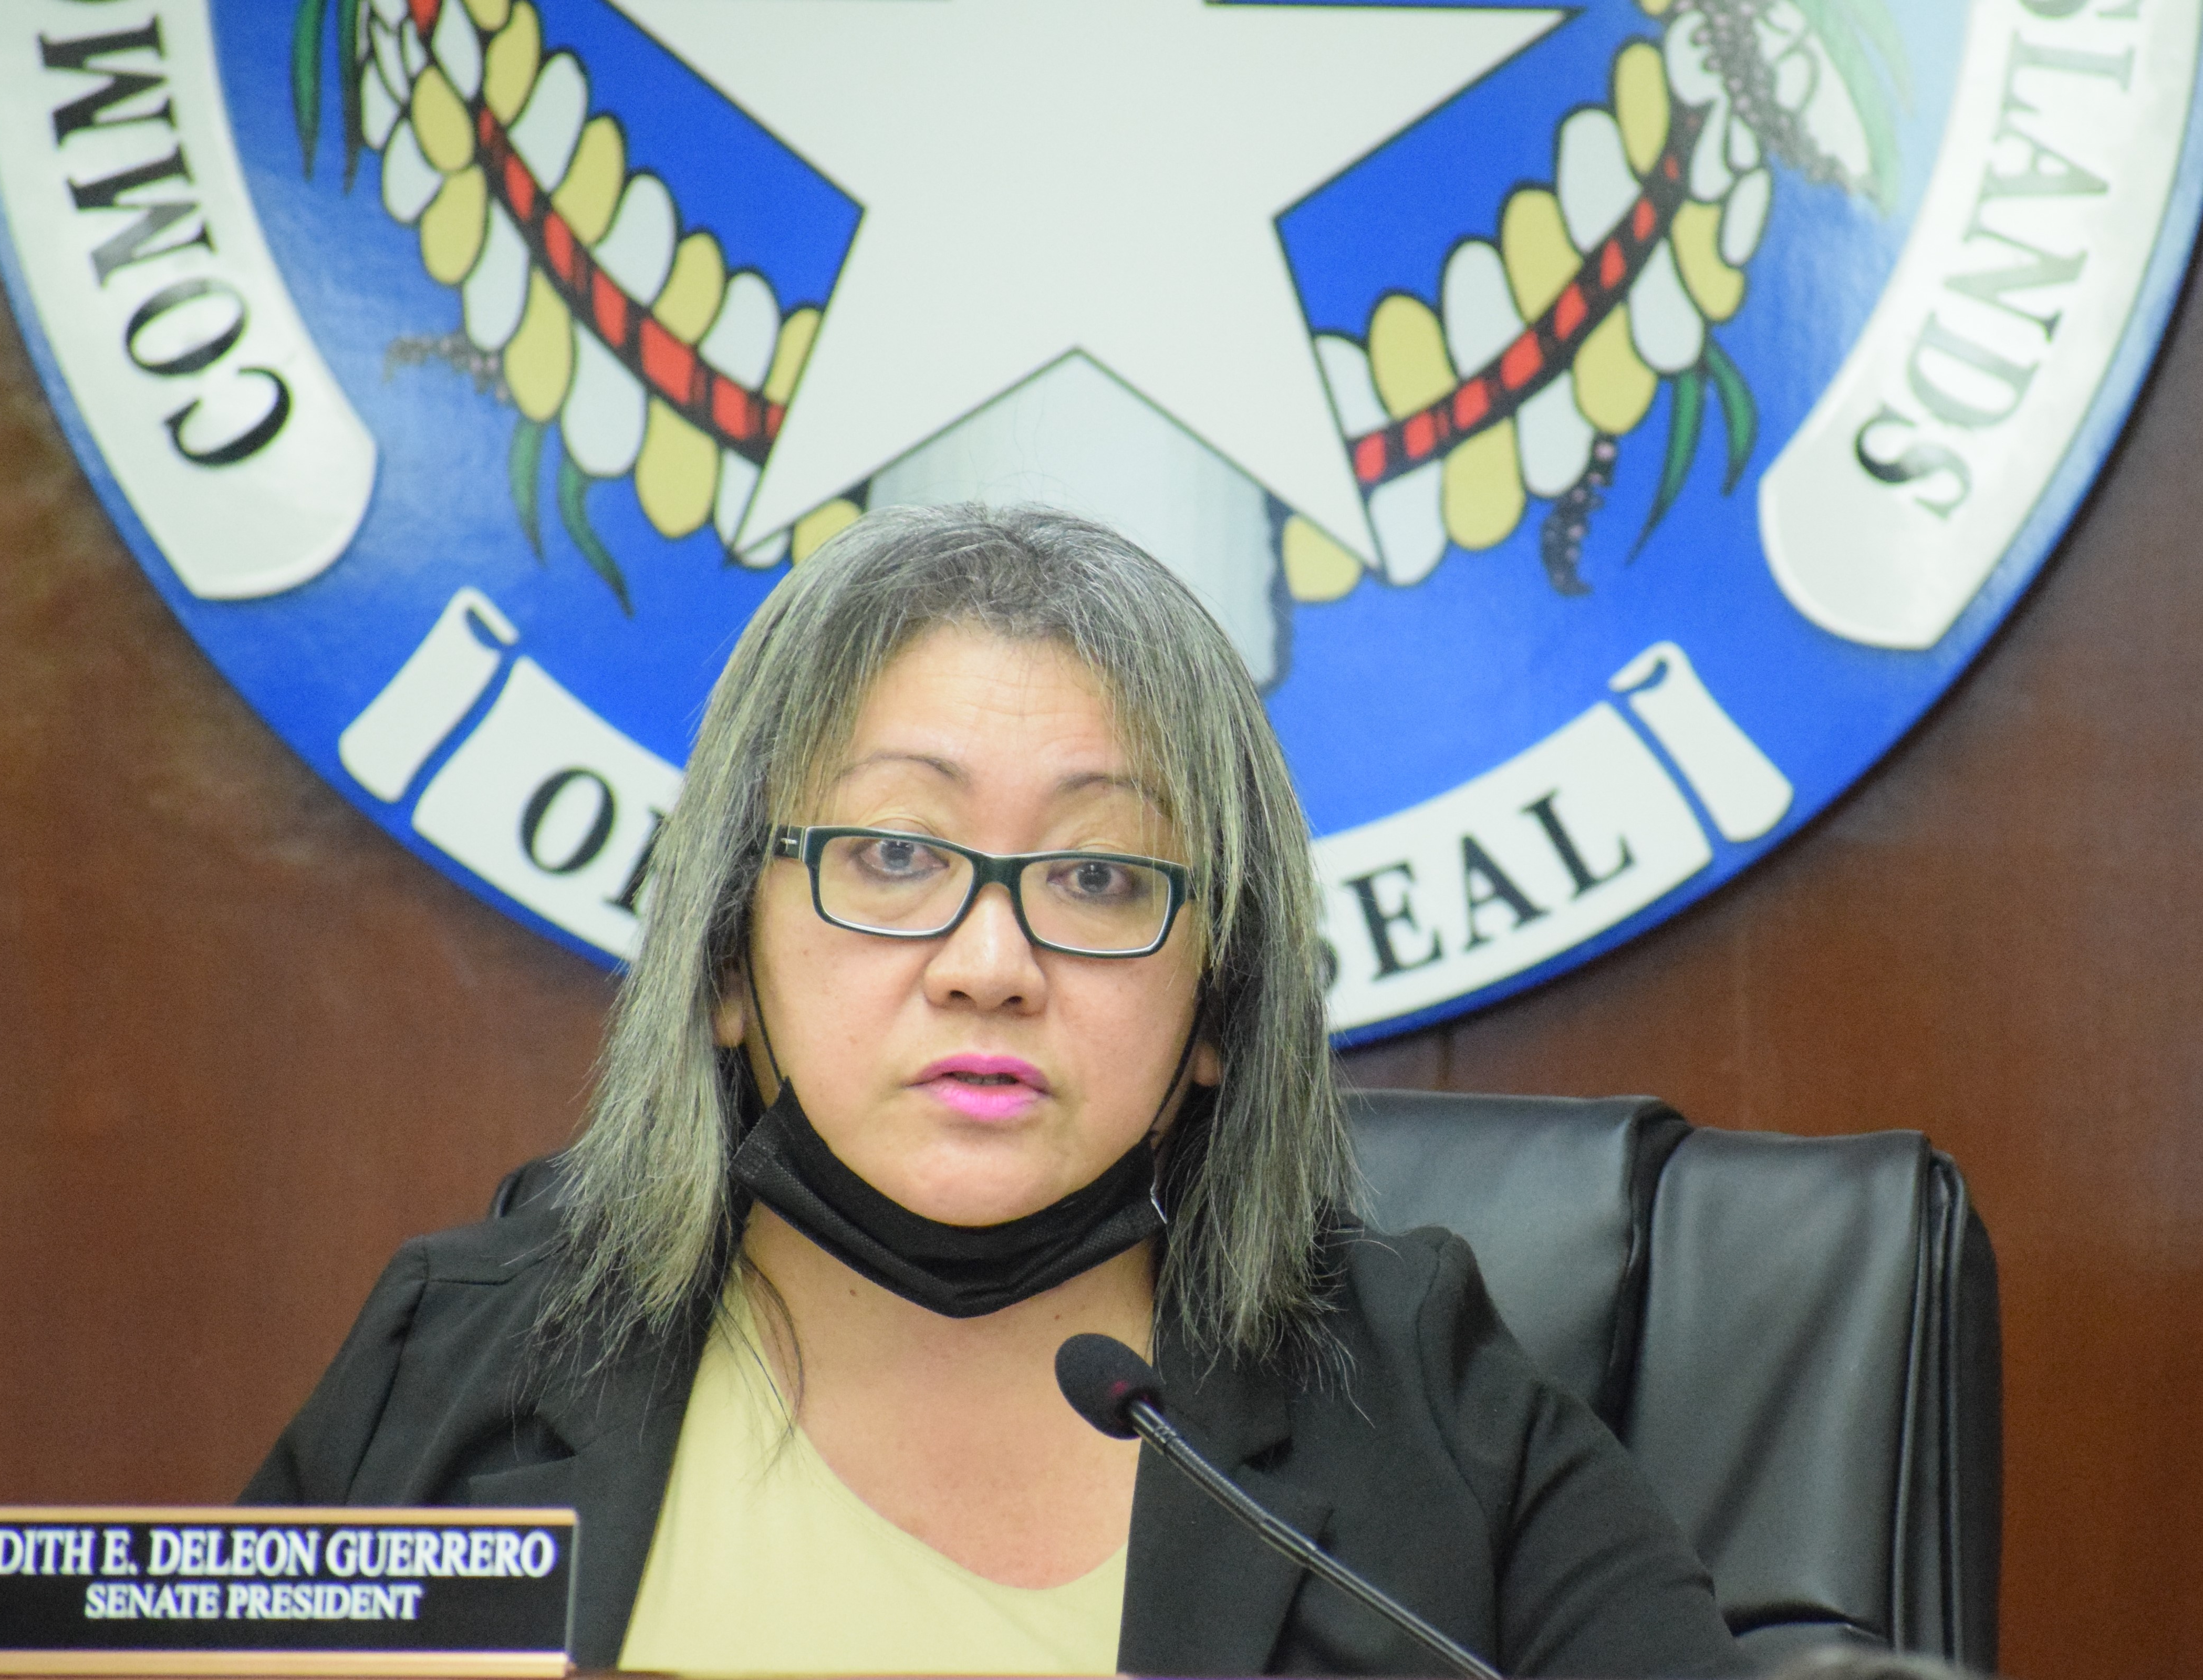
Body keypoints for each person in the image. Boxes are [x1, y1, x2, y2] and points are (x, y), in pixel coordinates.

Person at [244, 505, 1751, 1678]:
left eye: (1098, 876)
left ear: (1217, 1006)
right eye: (895, 854)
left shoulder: (1427, 1402)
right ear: (723, 959)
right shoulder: (448, 1366)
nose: (990, 961)